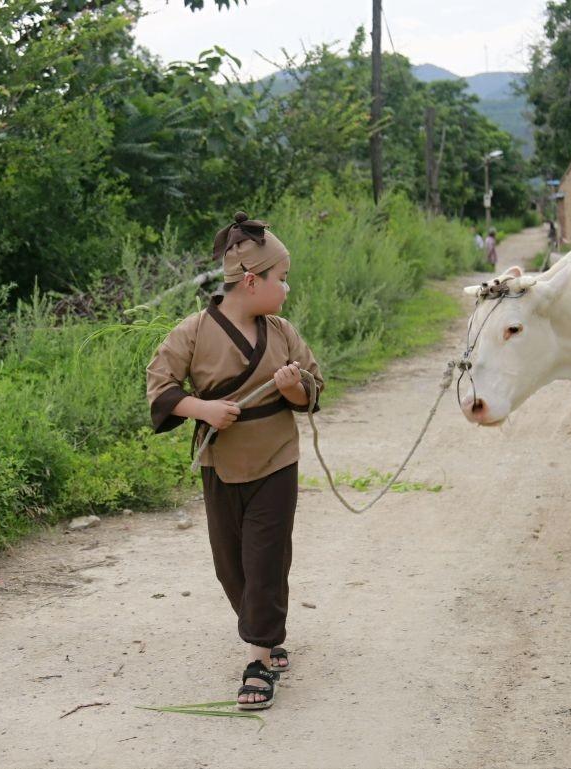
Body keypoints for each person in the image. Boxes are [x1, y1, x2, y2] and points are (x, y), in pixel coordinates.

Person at [145, 212, 325, 711]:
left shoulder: (283, 331)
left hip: (276, 459)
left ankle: (258, 660)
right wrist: (200, 408)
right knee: (231, 566)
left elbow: (313, 386)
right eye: (281, 279)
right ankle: (264, 631)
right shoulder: (193, 332)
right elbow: (160, 388)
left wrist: (295, 389)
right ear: (251, 280)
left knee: (266, 558)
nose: (286, 289)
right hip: (220, 465)